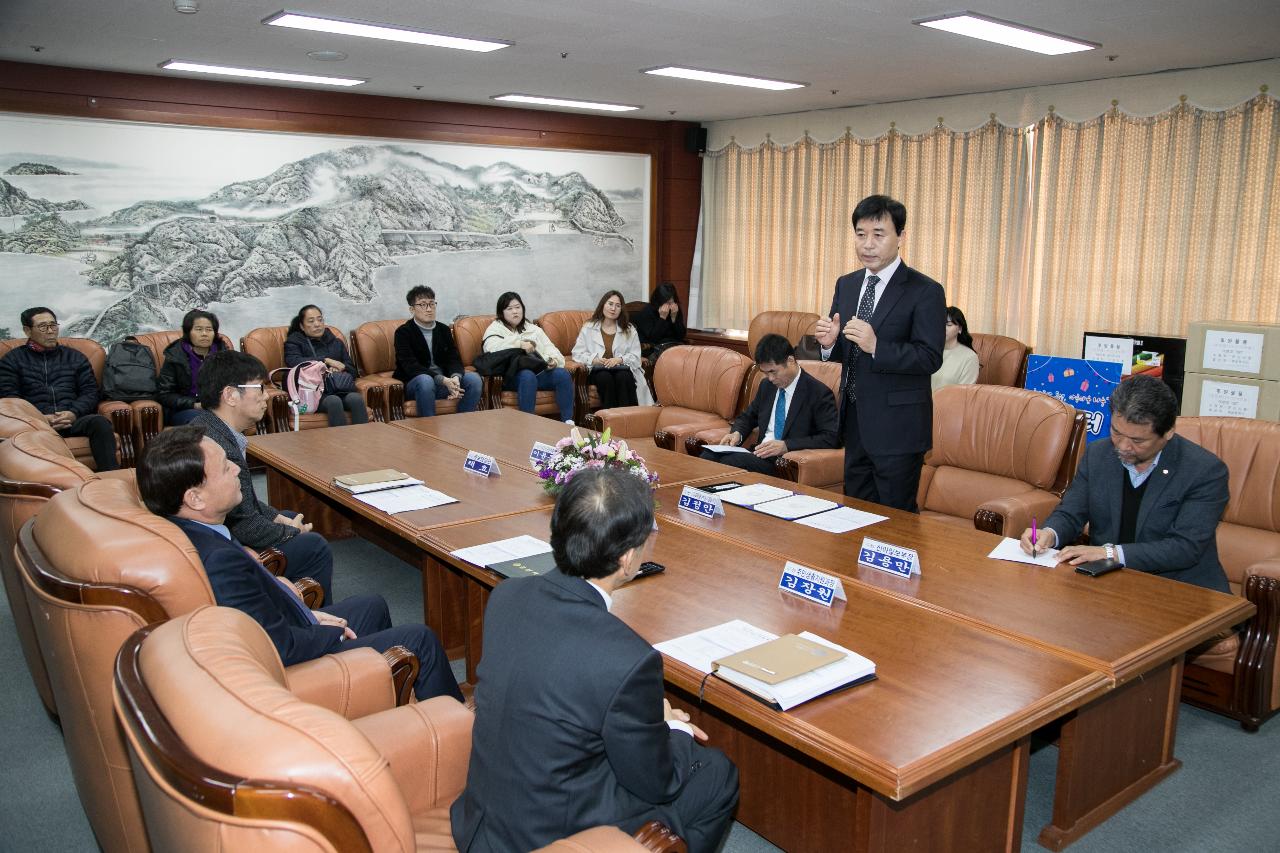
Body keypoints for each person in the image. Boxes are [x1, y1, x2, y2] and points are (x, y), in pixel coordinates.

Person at [451, 468, 738, 853]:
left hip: (480, 822)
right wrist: (671, 731)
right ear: (626, 558)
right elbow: (657, 782)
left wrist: (646, 718)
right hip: (546, 838)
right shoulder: (628, 658)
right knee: (717, 773)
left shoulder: (507, 596)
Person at [137, 425, 463, 703]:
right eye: (225, 468)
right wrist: (323, 632)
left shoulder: (200, 530)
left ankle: (383, 695)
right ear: (195, 498)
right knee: (419, 639)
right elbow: (279, 648)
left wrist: (306, 612)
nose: (238, 469)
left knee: (373, 605)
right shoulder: (218, 560)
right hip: (290, 663)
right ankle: (458, 729)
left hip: (288, 622)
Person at [1019, 374, 1231, 592]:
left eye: (1138, 441)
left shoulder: (1204, 471)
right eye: (1116, 432)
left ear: (1168, 432)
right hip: (1108, 582)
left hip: (1180, 588)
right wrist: (1049, 534)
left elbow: (1185, 548)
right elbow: (1071, 513)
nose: (1123, 446)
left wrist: (1110, 553)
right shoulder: (1099, 454)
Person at [815, 194, 945, 511]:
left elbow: (930, 357)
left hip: (898, 429)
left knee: (895, 523)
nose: (867, 244)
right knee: (853, 516)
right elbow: (846, 351)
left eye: (878, 234)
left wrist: (877, 347)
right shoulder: (846, 285)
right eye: (860, 234)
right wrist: (830, 344)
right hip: (855, 422)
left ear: (901, 237)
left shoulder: (925, 290)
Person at [189, 350, 334, 600]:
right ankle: (315, 628)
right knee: (314, 545)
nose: (267, 396)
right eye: (260, 388)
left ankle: (287, 601)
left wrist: (278, 519)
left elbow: (245, 505)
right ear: (231, 395)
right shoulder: (218, 449)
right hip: (222, 543)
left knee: (288, 515)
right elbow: (245, 525)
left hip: (217, 530)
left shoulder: (210, 427)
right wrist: (292, 532)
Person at [701, 333, 838, 474]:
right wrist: (737, 433)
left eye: (773, 371)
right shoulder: (767, 386)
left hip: (783, 461)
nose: (771, 378)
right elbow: (748, 416)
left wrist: (786, 445)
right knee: (707, 456)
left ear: (790, 360)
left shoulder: (818, 392)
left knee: (728, 463)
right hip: (759, 454)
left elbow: (831, 437)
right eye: (766, 373)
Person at [0, 306, 117, 471]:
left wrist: (73, 413)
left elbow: (90, 392)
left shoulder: (75, 357)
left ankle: (111, 477)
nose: (50, 331)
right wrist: (40, 418)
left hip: (72, 419)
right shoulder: (11, 360)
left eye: (53, 325)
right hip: (35, 424)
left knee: (99, 423)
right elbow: (10, 400)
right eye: (43, 327)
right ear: (27, 330)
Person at [482, 291, 575, 422]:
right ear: (501, 312)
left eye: (518, 307)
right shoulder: (495, 329)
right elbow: (490, 348)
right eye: (509, 308)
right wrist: (519, 344)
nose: (515, 312)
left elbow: (551, 349)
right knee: (527, 376)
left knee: (562, 374)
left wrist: (553, 361)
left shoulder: (533, 329)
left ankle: (568, 423)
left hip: (538, 372)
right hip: (510, 376)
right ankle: (528, 424)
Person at [392, 285, 481, 417]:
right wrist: (443, 380)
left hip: (444, 383)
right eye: (423, 305)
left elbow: (453, 358)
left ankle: (463, 424)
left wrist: (455, 378)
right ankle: (429, 430)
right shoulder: (403, 332)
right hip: (417, 385)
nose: (429, 309)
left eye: (432, 304)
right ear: (412, 309)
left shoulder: (443, 330)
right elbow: (410, 366)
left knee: (474, 379)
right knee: (425, 381)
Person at [283, 304, 369, 427]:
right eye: (311, 321)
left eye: (320, 319)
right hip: (312, 393)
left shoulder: (336, 342)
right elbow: (293, 361)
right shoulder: (295, 342)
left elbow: (353, 371)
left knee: (356, 399)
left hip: (338, 388)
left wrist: (341, 367)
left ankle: (364, 439)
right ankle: (339, 443)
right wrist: (325, 361)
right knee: (334, 402)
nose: (317, 324)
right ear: (302, 326)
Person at [571, 289, 654, 408]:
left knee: (623, 377)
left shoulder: (629, 329)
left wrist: (619, 360)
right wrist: (594, 359)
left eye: (618, 306)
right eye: (610, 304)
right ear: (603, 305)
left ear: (621, 309)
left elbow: (636, 356)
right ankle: (610, 419)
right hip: (598, 370)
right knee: (605, 378)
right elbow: (577, 353)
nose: (613, 309)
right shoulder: (589, 327)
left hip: (622, 368)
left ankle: (627, 418)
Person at [156, 309, 226, 426]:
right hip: (187, 409)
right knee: (204, 420)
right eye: (199, 329)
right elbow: (164, 394)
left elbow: (235, 383)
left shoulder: (223, 353)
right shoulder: (175, 356)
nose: (204, 333)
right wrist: (194, 404)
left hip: (220, 406)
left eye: (209, 329)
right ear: (188, 332)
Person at [634, 282, 686, 364]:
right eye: (667, 303)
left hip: (674, 346)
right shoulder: (646, 312)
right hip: (653, 348)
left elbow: (681, 336)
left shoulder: (674, 310)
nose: (670, 305)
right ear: (659, 301)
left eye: (672, 302)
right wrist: (662, 318)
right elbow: (653, 339)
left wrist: (674, 318)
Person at [931, 306, 980, 392]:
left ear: (960, 329)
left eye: (948, 325)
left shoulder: (970, 357)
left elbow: (964, 394)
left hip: (950, 404)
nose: (943, 329)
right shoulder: (929, 350)